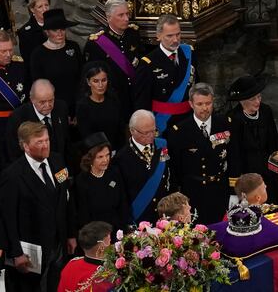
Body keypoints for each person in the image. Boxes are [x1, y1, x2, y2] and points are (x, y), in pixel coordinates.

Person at [0, 121, 76, 292]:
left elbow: (66, 200)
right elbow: (8, 218)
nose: (45, 145)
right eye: (39, 142)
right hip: (31, 250)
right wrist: (16, 252)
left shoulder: (58, 160)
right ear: (25, 146)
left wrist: (70, 234)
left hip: (59, 244)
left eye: (47, 140)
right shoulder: (12, 175)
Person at [167, 83, 238, 224]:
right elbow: (174, 167)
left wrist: (233, 192)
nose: (205, 108)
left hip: (220, 189)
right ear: (191, 104)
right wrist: (178, 198)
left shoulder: (226, 123)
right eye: (199, 104)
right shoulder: (179, 131)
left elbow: (235, 158)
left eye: (208, 103)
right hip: (193, 193)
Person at [133, 14, 198, 137]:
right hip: (163, 124)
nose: (175, 40)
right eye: (170, 36)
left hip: (188, 120)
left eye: (178, 34)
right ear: (158, 36)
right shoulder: (148, 63)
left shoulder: (189, 53)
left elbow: (196, 86)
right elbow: (142, 102)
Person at [83, 0, 146, 121]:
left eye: (127, 14)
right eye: (121, 15)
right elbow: (91, 77)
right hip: (113, 99)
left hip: (135, 95)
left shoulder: (133, 34)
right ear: (108, 17)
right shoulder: (97, 43)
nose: (126, 19)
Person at [113, 110, 171, 224]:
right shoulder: (121, 159)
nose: (151, 136)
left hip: (165, 216)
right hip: (140, 218)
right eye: (146, 132)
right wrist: (129, 223)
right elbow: (122, 197)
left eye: (153, 131)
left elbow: (170, 177)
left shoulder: (162, 145)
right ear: (132, 131)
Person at [228, 75, 278, 203]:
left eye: (259, 97)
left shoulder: (266, 111)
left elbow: (274, 143)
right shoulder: (233, 118)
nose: (257, 101)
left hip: (269, 171)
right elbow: (234, 154)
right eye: (252, 99)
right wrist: (234, 189)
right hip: (248, 175)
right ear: (242, 101)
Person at [75, 132, 128, 236]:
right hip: (95, 235)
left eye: (107, 155)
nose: (105, 160)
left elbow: (123, 203)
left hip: (117, 231)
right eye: (100, 157)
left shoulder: (114, 173)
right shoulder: (82, 181)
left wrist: (123, 231)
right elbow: (83, 215)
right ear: (89, 159)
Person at [30, 8, 81, 116]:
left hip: (77, 106)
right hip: (53, 108)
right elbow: (39, 87)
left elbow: (82, 77)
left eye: (62, 29)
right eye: (55, 30)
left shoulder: (74, 47)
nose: (60, 33)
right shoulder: (38, 54)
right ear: (47, 31)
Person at [5, 79, 70, 163]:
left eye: (51, 100)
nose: (48, 105)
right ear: (32, 99)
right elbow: (14, 152)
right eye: (42, 102)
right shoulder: (18, 117)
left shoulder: (61, 107)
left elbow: (66, 142)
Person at [76, 61, 125, 152]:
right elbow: (87, 136)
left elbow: (120, 131)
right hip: (95, 154)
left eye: (103, 80)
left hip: (116, 152)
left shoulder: (114, 101)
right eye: (95, 81)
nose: (100, 85)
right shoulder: (83, 106)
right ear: (88, 82)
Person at [57, 221, 114, 292]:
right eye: (109, 240)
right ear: (101, 247)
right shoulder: (104, 277)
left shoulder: (71, 264)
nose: (111, 243)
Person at [17, 0, 49, 67]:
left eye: (46, 5)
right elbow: (29, 62)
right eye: (40, 7)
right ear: (32, 9)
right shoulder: (25, 33)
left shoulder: (57, 23)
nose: (45, 9)